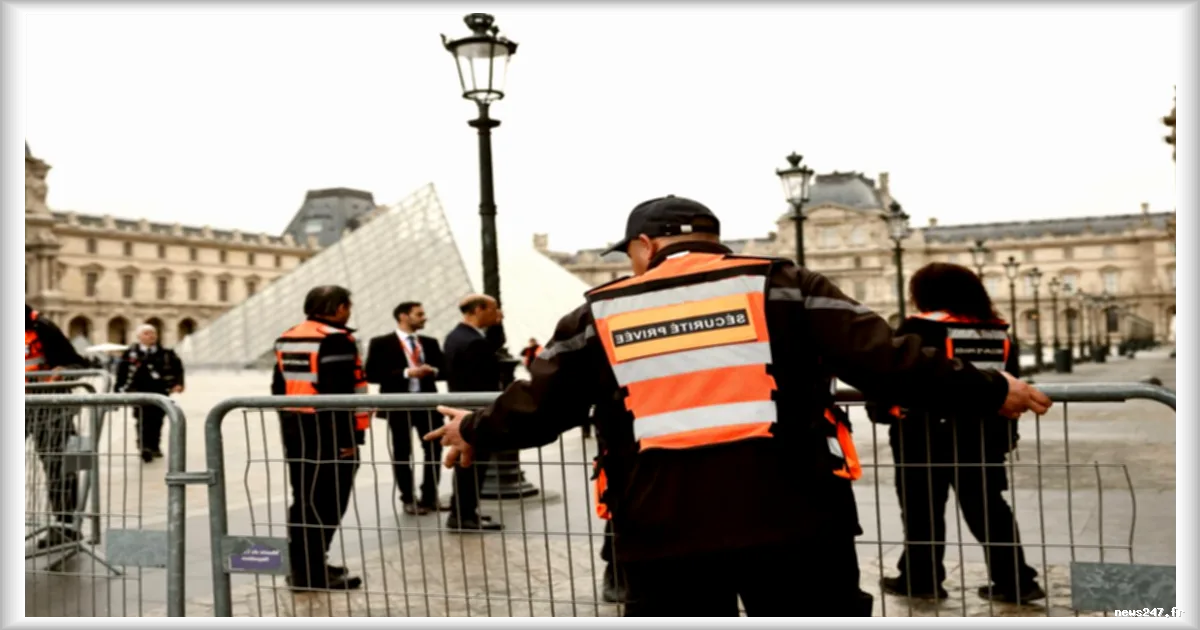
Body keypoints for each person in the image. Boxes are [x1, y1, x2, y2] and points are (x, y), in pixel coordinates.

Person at [426, 195, 1052, 618]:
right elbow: (888, 360)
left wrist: (475, 429)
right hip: (796, 515)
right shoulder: (785, 284)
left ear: (643, 245)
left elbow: (541, 405)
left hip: (661, 526)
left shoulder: (600, 311)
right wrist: (994, 389)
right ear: (714, 241)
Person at [867, 263, 1046, 604]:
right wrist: (1007, 433)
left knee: (921, 510)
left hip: (923, 435)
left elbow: (896, 372)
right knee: (989, 509)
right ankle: (1016, 580)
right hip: (983, 434)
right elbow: (1012, 384)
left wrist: (882, 411)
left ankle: (921, 578)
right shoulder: (997, 331)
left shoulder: (920, 327)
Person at [272, 285, 370, 590]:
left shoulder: (288, 336)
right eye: (348, 306)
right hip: (330, 434)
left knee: (304, 499)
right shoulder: (335, 340)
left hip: (297, 429)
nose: (349, 311)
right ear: (339, 308)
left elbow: (278, 388)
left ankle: (304, 565)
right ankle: (312, 572)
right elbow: (338, 395)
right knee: (329, 500)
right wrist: (347, 441)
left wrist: (290, 421)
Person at [364, 301, 449, 515]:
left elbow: (446, 370)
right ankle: (408, 498)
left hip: (427, 403)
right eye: (419, 314)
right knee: (402, 451)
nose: (424, 317)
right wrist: (405, 373)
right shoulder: (381, 343)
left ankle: (429, 496)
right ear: (403, 316)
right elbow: (372, 374)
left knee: (434, 449)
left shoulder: (430, 343)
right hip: (399, 405)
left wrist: (433, 371)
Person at [25, 304, 88, 549]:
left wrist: (65, 372)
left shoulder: (41, 326)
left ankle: (65, 526)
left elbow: (77, 364)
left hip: (49, 408)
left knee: (60, 466)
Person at [441, 294, 505, 532]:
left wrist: (497, 326)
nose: (497, 314)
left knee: (467, 464)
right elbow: (486, 378)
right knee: (472, 465)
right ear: (479, 309)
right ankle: (463, 515)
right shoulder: (473, 342)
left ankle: (465, 511)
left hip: (463, 411)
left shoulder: (456, 336)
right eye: (494, 309)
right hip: (475, 413)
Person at [116, 323, 185, 463]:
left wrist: (179, 383)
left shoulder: (166, 353)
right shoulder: (130, 353)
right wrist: (117, 389)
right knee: (141, 418)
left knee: (157, 419)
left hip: (160, 390)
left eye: (153, 333)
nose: (151, 336)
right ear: (139, 337)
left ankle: (155, 446)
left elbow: (178, 369)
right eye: (146, 333)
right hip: (138, 391)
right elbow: (121, 372)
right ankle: (144, 446)